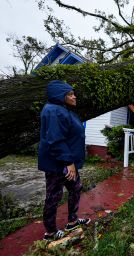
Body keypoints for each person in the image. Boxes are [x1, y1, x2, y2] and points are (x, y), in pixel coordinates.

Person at [38, 80, 90, 241]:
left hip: (67, 162)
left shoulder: (62, 109)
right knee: (54, 196)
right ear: (60, 95)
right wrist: (69, 163)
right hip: (58, 164)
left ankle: (72, 221)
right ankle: (51, 232)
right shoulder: (53, 111)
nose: (74, 97)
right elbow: (56, 140)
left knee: (76, 187)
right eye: (70, 94)